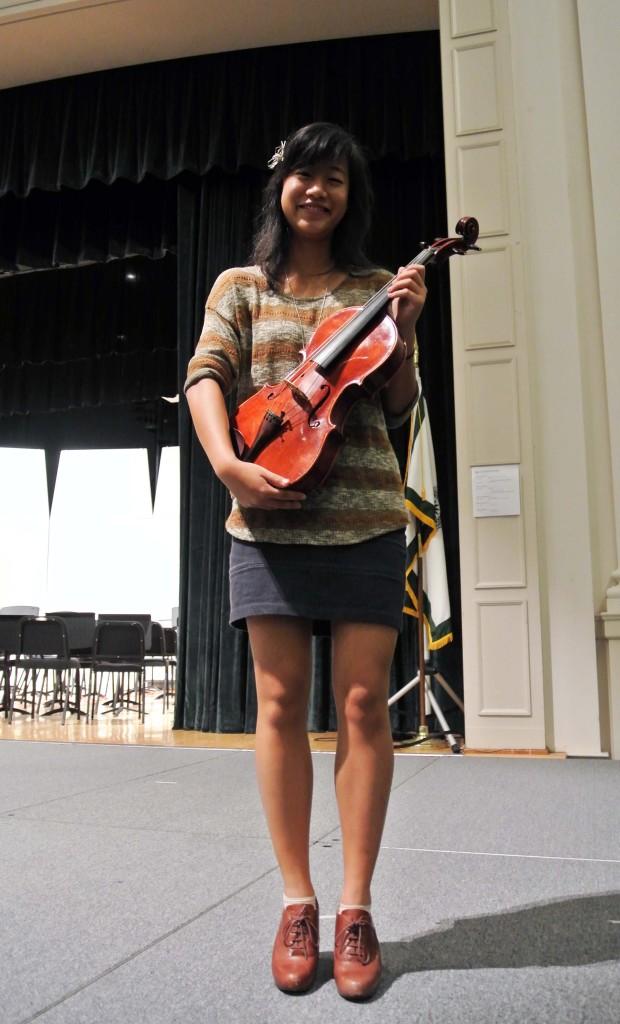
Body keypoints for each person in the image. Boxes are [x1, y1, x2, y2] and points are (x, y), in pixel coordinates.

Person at [185, 122, 427, 1000]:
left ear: (351, 196)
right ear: (279, 188)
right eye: (303, 176)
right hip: (265, 522)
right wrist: (227, 465)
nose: (317, 191)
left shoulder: (374, 287)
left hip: (362, 513)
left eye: (334, 179)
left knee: (364, 705)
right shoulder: (240, 286)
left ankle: (356, 907)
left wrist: (403, 328)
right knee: (281, 705)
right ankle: (297, 899)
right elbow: (208, 372)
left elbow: (400, 403)